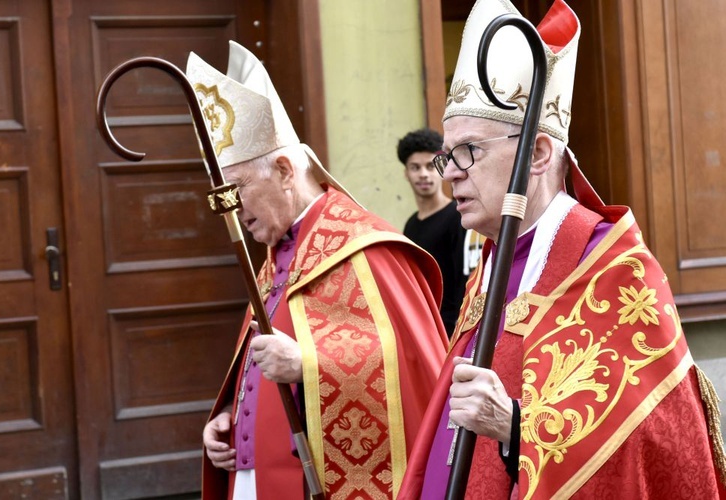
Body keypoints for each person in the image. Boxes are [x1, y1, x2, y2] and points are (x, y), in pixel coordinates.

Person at [398, 0, 726, 498]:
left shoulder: (614, 268)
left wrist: (514, 426)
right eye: (447, 154)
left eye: (468, 151)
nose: (450, 173)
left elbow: (658, 443)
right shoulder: (493, 262)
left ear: (538, 154)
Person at [186, 42, 448, 500]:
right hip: (251, 479)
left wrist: (309, 364)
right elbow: (258, 365)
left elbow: (414, 369)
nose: (230, 209)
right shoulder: (277, 255)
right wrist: (229, 414)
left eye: (238, 188)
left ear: (285, 169)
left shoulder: (369, 249)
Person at [398, 128, 470, 337]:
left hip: (449, 331)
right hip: (420, 331)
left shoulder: (458, 218)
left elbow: (464, 283)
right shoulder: (411, 224)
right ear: (406, 173)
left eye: (430, 166)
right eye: (415, 167)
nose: (423, 174)